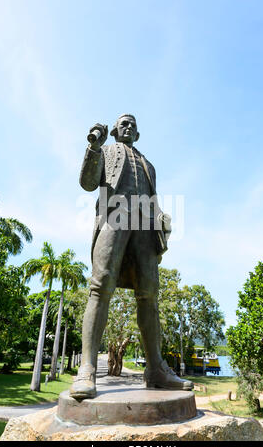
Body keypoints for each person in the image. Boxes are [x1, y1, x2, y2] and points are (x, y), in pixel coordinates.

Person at [70, 114, 193, 400]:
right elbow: (88, 184)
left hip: (145, 227)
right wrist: (93, 148)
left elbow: (153, 198)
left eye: (133, 125)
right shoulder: (107, 151)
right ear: (114, 130)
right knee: (100, 285)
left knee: (149, 295)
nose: (129, 127)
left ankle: (156, 370)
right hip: (115, 216)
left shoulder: (148, 165)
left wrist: (161, 220)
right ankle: (87, 369)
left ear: (137, 134)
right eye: (124, 123)